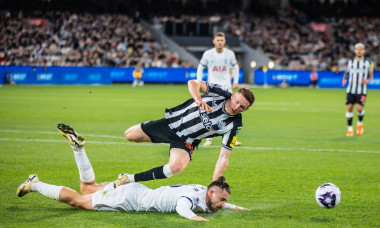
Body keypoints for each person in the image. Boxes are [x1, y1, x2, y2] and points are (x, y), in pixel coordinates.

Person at [16, 123, 249, 221]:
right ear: (210, 194)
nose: (222, 204)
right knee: (78, 200)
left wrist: (235, 206)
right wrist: (196, 218)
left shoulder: (204, 190)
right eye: (221, 200)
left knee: (87, 188)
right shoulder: (192, 199)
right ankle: (35, 183)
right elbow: (182, 207)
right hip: (129, 199)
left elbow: (217, 200)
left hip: (137, 190)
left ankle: (78, 149)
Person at [116, 80, 254, 187]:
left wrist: (214, 184)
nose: (237, 107)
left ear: (246, 109)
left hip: (187, 140)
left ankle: (129, 178)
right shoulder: (221, 93)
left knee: (176, 167)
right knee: (129, 135)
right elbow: (193, 83)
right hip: (171, 122)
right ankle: (158, 135)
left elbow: (224, 157)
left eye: (242, 107)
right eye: (237, 102)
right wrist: (198, 99)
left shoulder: (234, 124)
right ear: (234, 95)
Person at [197, 32, 242, 146]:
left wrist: (235, 80)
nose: (220, 42)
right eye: (218, 40)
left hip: (226, 87)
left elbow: (235, 67)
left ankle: (232, 138)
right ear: (214, 41)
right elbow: (200, 67)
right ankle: (208, 139)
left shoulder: (229, 54)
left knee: (231, 112)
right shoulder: (208, 54)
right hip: (212, 87)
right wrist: (199, 82)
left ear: (224, 41)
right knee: (209, 112)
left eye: (222, 40)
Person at [342, 43, 374, 136]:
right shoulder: (350, 61)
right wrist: (344, 79)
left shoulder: (368, 62)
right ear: (355, 51)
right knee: (349, 107)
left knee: (359, 108)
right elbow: (347, 72)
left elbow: (371, 76)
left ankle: (360, 123)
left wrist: (367, 80)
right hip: (350, 89)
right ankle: (350, 128)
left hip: (362, 90)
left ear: (364, 51)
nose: (359, 51)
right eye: (357, 49)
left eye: (361, 49)